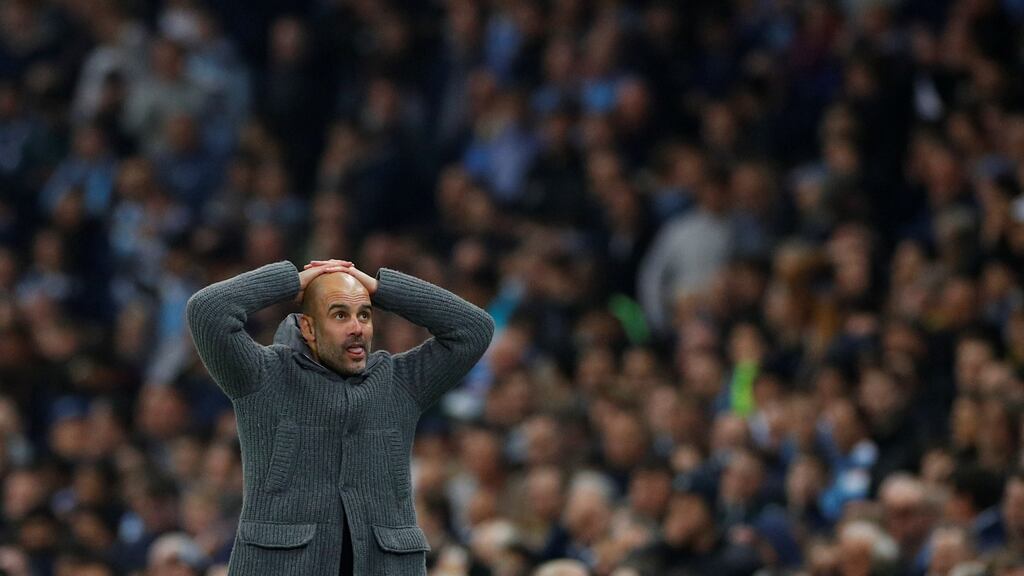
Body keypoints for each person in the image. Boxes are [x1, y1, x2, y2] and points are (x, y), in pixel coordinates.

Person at [186, 258, 495, 575]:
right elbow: (207, 311)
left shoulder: (400, 381)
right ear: (308, 327)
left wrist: (379, 287)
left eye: (364, 314)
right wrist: (293, 281)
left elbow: (473, 329)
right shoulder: (262, 375)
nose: (357, 327)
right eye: (340, 315)